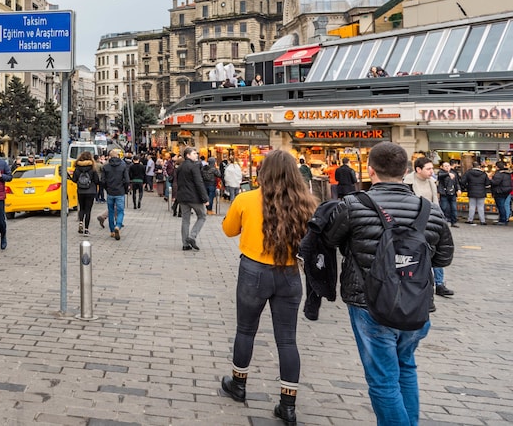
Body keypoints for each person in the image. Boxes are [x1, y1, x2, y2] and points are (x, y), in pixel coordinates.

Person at [323, 142, 454, 425]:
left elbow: (329, 241)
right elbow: (444, 257)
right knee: (406, 367)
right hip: (416, 304)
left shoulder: (353, 205)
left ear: (371, 171)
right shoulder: (430, 210)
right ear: (406, 170)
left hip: (369, 303)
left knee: (383, 381)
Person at [219, 150, 316, 426]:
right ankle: (287, 405)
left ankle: (238, 384)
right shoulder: (305, 203)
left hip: (254, 271)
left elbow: (228, 229)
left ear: (264, 172)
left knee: (245, 330)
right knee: (287, 340)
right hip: (289, 274)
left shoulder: (246, 199)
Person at [404, 156, 454, 300]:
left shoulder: (431, 182)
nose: (432, 171)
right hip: (415, 225)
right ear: (418, 169)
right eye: (429, 169)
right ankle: (420, 283)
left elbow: (435, 201)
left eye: (432, 168)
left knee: (436, 252)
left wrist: (439, 218)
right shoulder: (408, 182)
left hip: (431, 222)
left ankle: (439, 284)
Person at [174, 147, 208, 250]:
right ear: (188, 155)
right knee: (202, 216)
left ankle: (185, 244)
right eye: (194, 153)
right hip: (194, 197)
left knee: (185, 220)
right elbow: (199, 183)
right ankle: (192, 236)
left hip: (182, 197)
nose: (196, 155)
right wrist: (205, 198)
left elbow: (176, 181)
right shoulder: (194, 167)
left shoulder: (180, 167)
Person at [100, 148, 130, 240]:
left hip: (110, 192)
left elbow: (103, 181)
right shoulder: (123, 166)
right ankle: (118, 225)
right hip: (120, 191)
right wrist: (125, 189)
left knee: (111, 211)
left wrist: (107, 188)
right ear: (118, 156)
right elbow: (127, 180)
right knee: (120, 211)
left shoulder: (106, 167)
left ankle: (112, 230)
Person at [70, 151, 100, 236]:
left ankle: (80, 222)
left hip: (81, 191)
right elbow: (97, 180)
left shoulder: (77, 168)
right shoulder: (92, 168)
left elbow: (74, 180)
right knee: (88, 210)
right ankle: (86, 229)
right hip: (91, 191)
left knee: (82, 208)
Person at [460, 161, 490, 225]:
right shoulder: (483, 174)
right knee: (481, 206)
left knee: (472, 206)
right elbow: (487, 183)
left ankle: (470, 220)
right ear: (479, 166)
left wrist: (467, 186)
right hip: (481, 191)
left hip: (471, 191)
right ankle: (482, 221)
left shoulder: (468, 173)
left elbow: (462, 181)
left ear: (472, 166)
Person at [436, 161, 460, 227]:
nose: (447, 167)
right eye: (445, 166)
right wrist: (448, 174)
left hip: (453, 193)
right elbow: (440, 176)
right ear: (442, 167)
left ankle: (454, 222)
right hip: (444, 193)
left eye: (448, 166)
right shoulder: (441, 173)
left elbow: (456, 182)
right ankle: (442, 221)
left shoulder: (453, 173)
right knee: (444, 207)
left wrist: (458, 189)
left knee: (454, 208)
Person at [490, 160, 512, 225]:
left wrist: (490, 179)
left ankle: (503, 220)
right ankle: (503, 219)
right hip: (506, 191)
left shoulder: (498, 174)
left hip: (499, 191)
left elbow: (495, 182)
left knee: (501, 206)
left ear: (497, 167)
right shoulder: (507, 173)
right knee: (504, 205)